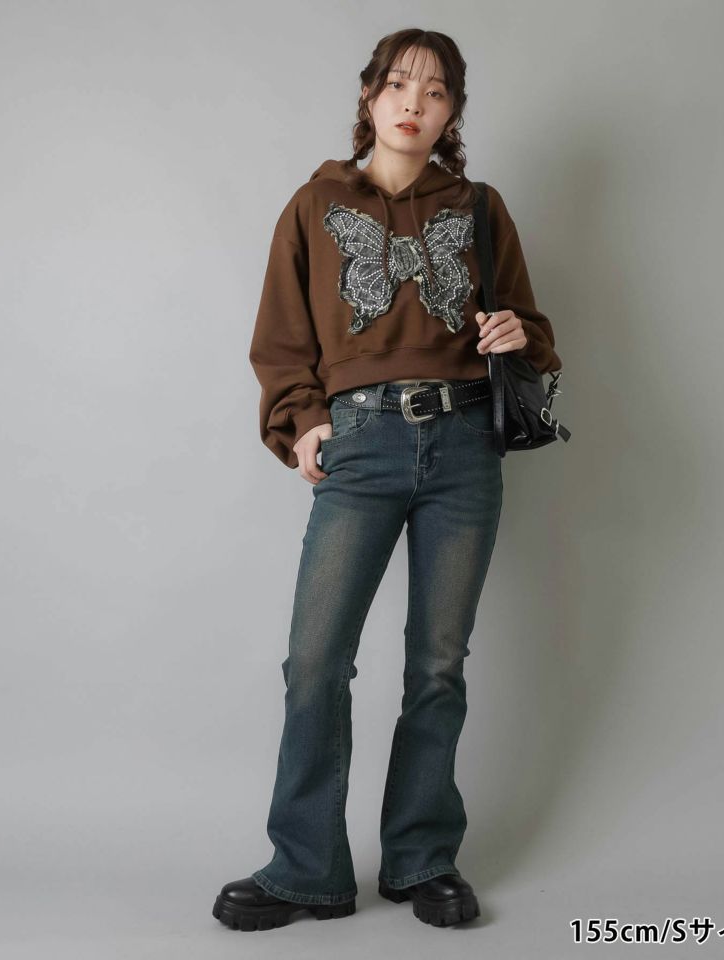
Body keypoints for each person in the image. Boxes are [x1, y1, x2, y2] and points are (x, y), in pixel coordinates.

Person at [212, 27, 562, 932]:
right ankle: (306, 869)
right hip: (362, 444)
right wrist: (301, 420)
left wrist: (518, 335)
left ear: (452, 113)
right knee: (316, 660)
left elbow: (533, 329)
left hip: (464, 448)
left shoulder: (479, 206)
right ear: (369, 96)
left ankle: (421, 859)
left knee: (437, 665)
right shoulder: (315, 203)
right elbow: (281, 338)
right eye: (400, 84)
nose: (414, 102)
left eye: (436, 91)